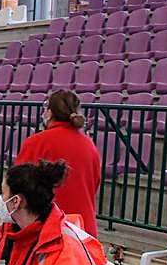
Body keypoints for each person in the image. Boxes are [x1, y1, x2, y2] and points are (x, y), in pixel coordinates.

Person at [0, 160, 105, 265]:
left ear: (16, 201)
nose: (1, 200)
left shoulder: (64, 248)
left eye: (3, 193)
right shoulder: (12, 233)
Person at [14, 89, 101, 237]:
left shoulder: (36, 143)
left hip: (48, 230)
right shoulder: (89, 145)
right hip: (83, 231)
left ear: (49, 113)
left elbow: (16, 186)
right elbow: (94, 184)